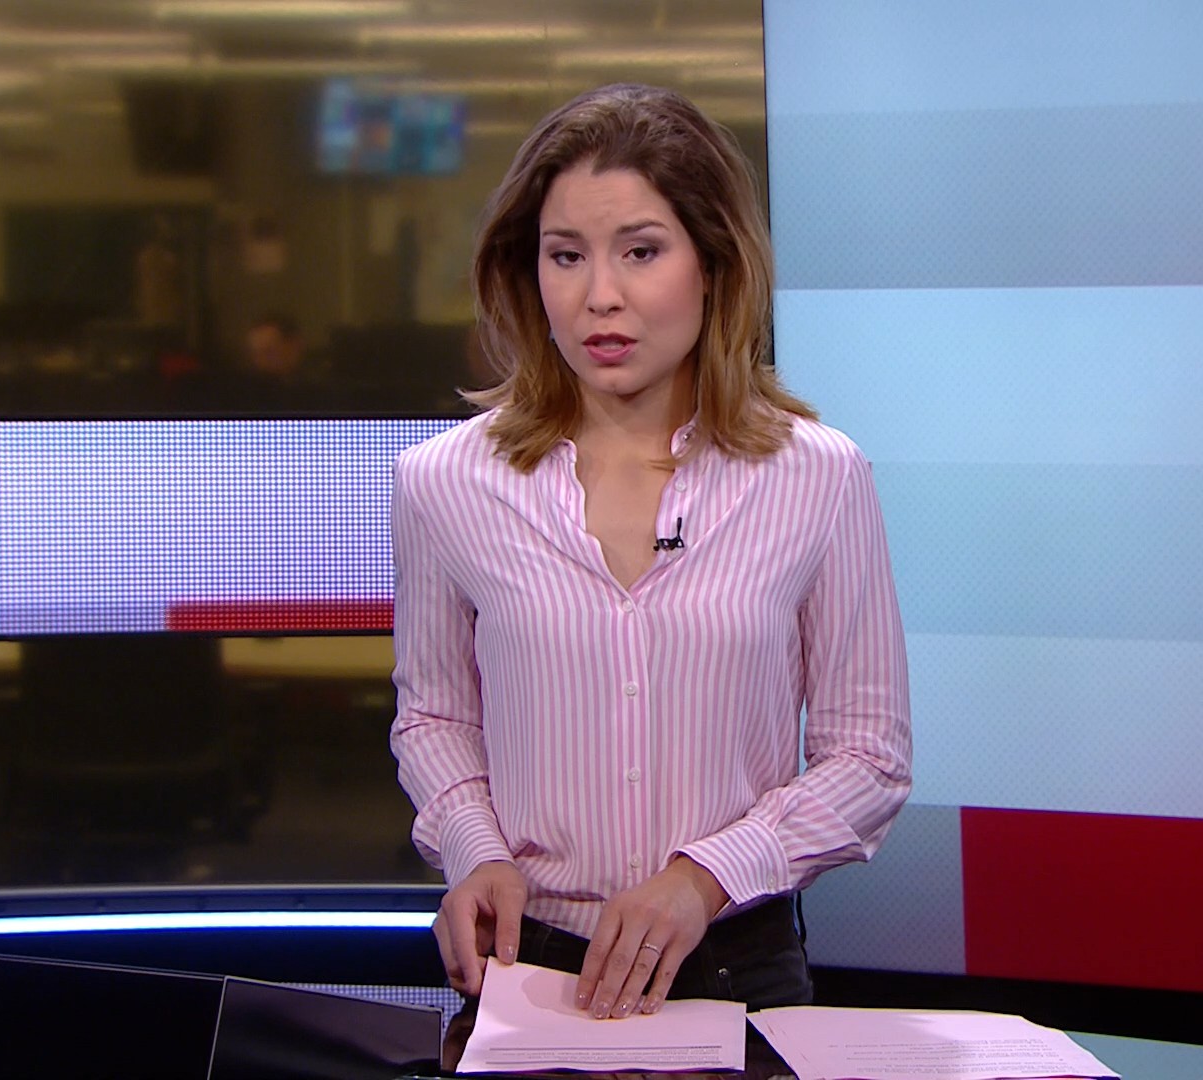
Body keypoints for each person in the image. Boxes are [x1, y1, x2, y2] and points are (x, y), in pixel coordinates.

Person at [388, 83, 911, 1021]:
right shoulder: (446, 482)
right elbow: (434, 718)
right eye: (566, 256)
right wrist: (476, 849)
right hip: (528, 965)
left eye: (640, 251)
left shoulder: (818, 476)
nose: (601, 296)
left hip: (736, 967)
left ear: (712, 264)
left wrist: (705, 877)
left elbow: (868, 756)